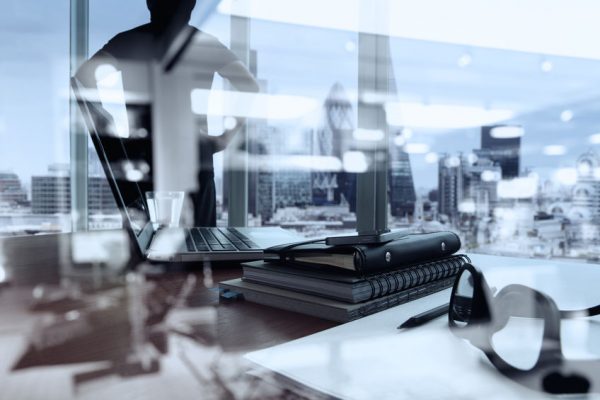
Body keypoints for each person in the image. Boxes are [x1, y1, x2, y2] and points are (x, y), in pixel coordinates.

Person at [75, 0, 259, 226]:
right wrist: (225, 137)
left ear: (150, 3)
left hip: (145, 154)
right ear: (190, 6)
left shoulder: (129, 41)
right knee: (198, 242)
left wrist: (109, 127)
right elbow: (249, 87)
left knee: (149, 242)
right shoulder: (205, 44)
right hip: (193, 154)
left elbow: (83, 79)